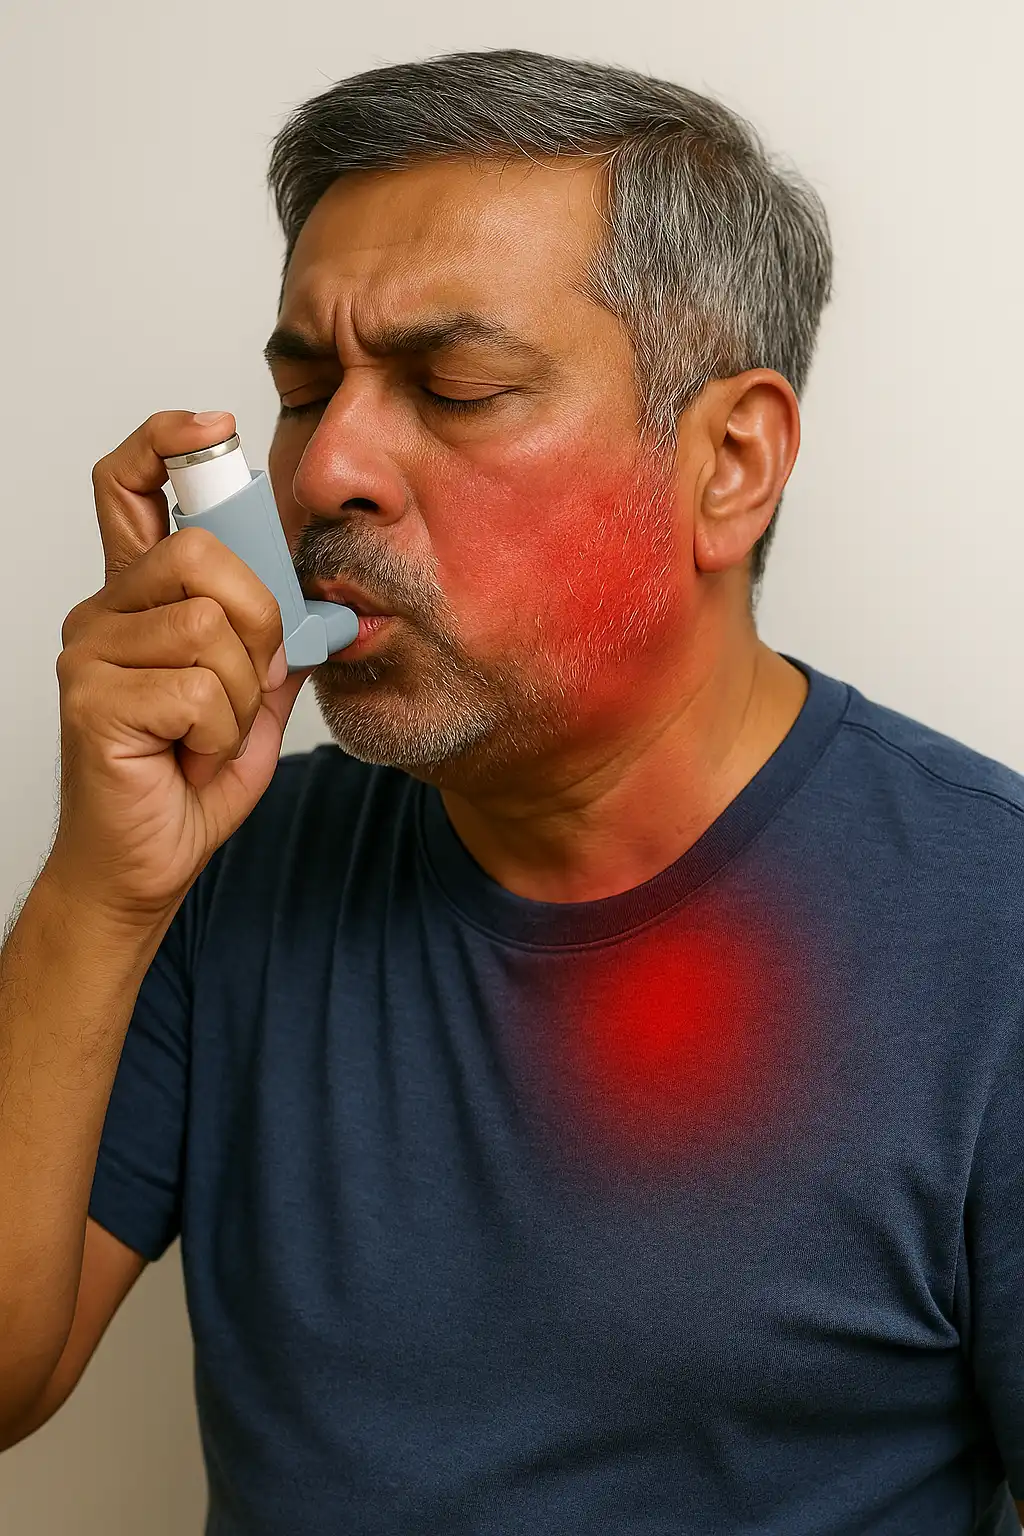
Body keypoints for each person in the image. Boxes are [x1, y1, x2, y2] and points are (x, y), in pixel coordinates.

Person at [0, 45, 1021, 1536]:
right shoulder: (221, 875)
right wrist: (102, 889)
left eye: (457, 388)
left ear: (731, 463)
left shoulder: (994, 930)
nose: (325, 469)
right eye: (305, 391)